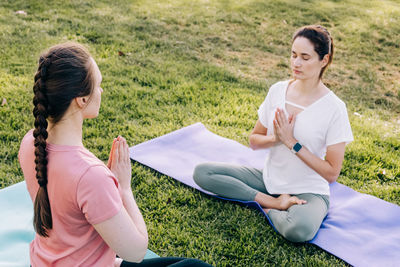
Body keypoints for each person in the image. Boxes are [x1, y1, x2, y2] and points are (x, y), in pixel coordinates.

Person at [19, 42, 212, 267]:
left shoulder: (31, 142)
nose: (101, 91)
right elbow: (137, 251)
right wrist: (124, 188)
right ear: (81, 100)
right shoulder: (90, 175)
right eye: (98, 85)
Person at [193, 25, 353, 243]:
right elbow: (254, 141)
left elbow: (332, 173)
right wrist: (274, 139)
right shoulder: (277, 91)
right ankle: (274, 203)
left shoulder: (334, 108)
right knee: (203, 173)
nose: (296, 63)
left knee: (299, 230)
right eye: (294, 55)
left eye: (305, 57)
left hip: (308, 191)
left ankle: (267, 208)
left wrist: (292, 143)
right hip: (269, 180)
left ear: (323, 60)